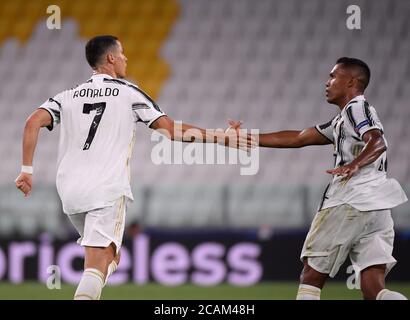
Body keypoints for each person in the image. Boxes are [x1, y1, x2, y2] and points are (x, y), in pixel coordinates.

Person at [14, 35, 253, 300]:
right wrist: (223, 137)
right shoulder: (128, 92)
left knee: (110, 258)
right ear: (110, 58)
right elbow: (172, 131)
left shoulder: (67, 96)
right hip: (105, 188)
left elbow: (31, 122)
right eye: (122, 53)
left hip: (70, 192)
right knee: (97, 264)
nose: (126, 58)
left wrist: (27, 170)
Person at [236, 57, 408, 300]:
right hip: (377, 206)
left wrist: (355, 165)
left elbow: (377, 141)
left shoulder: (356, 108)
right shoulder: (342, 120)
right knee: (374, 289)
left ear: (350, 81)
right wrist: (245, 137)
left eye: (333, 76)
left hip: (350, 201)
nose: (327, 82)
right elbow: (299, 138)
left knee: (311, 277)